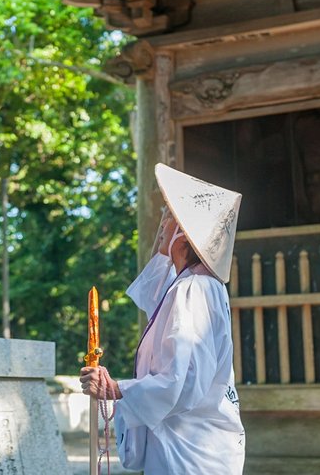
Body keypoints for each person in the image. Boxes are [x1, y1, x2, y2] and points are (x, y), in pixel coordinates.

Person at [80, 163, 245, 474]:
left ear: (185, 233)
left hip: (190, 452)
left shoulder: (195, 288)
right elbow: (153, 295)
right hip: (192, 444)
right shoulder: (194, 285)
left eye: (169, 216)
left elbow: (182, 380)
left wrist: (117, 389)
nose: (162, 224)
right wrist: (164, 255)